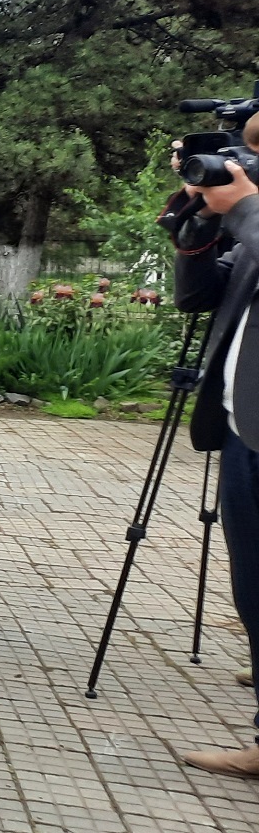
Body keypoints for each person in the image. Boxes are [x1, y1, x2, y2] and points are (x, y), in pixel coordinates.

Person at [171, 123, 259, 776]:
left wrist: (246, 206)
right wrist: (197, 220)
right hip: (242, 428)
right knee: (252, 587)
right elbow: (196, 295)